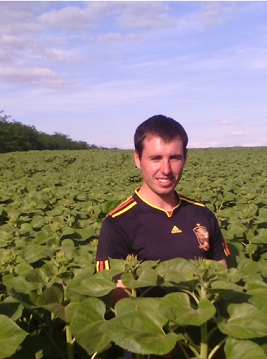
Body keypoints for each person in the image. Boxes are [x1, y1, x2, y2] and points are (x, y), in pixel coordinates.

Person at [95, 114, 229, 279]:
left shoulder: (202, 214)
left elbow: (221, 278)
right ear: (138, 158)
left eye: (174, 158)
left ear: (185, 158)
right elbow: (117, 297)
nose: (166, 169)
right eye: (156, 158)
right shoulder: (118, 223)